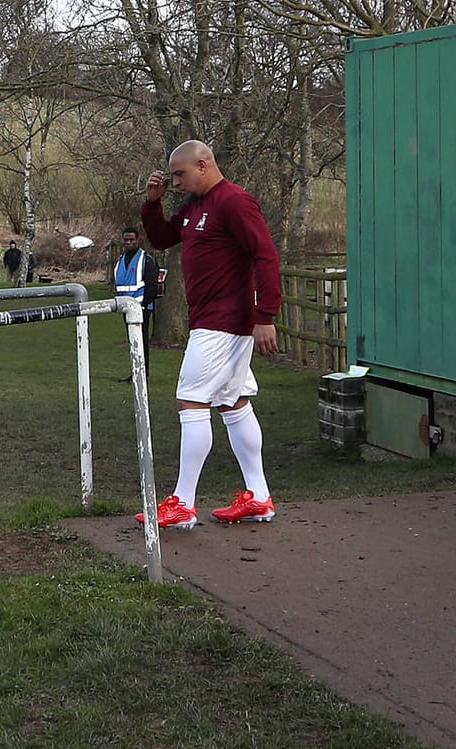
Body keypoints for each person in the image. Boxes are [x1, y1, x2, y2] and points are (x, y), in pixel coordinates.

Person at [135, 139, 282, 530]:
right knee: (233, 402)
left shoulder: (233, 201)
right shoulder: (194, 205)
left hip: (223, 321)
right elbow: (164, 238)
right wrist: (152, 203)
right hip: (213, 320)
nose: (176, 181)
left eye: (180, 174)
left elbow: (265, 254)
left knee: (191, 401)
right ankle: (260, 496)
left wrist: (265, 314)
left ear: (203, 165)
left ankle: (183, 501)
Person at [113, 227, 159, 382]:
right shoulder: (120, 260)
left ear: (138, 239)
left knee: (141, 341)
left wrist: (144, 306)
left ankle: (142, 374)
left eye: (132, 239)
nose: (129, 242)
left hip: (141, 309)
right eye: (126, 239)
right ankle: (135, 371)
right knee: (132, 341)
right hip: (126, 308)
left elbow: (152, 286)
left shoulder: (146, 260)